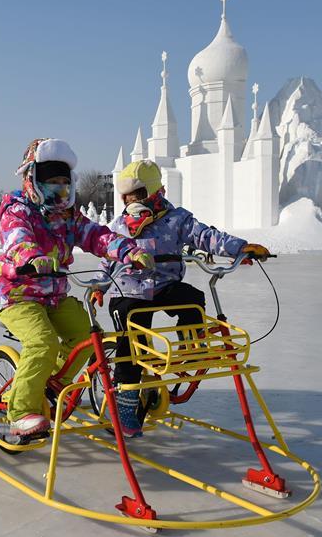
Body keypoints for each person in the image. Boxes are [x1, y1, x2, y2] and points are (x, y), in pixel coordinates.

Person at [0, 138, 154, 440]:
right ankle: (20, 411)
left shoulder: (68, 216)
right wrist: (30, 256)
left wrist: (128, 250)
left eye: (63, 184)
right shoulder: (17, 208)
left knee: (85, 334)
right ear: (33, 180)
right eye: (51, 183)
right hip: (16, 294)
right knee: (42, 342)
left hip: (54, 294)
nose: (58, 190)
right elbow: (16, 237)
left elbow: (97, 236)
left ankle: (54, 383)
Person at [100, 159, 271, 436]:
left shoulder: (176, 219)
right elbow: (107, 254)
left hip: (164, 284)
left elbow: (206, 236)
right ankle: (126, 403)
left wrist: (240, 248)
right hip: (129, 290)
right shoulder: (119, 225)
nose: (133, 203)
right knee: (132, 346)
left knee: (191, 299)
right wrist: (100, 285)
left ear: (157, 193)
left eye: (139, 195)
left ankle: (191, 349)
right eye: (127, 197)